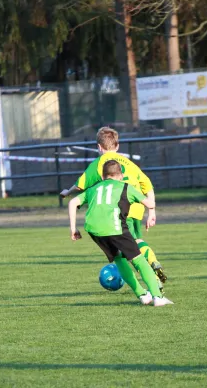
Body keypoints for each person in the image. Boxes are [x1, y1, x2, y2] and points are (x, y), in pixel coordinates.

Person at [60, 127, 168, 289]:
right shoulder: (129, 164)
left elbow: (80, 185)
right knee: (136, 241)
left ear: (99, 147)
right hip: (137, 207)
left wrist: (67, 192)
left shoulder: (99, 164)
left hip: (119, 209)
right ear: (117, 146)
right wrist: (151, 212)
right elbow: (147, 185)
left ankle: (153, 279)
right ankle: (153, 264)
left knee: (128, 253)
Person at [68, 160, 173, 306]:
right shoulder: (125, 187)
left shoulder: (94, 188)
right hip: (116, 228)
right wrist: (146, 198)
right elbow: (150, 204)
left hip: (94, 230)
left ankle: (142, 295)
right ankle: (157, 297)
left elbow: (73, 202)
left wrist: (73, 228)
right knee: (139, 260)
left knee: (119, 259)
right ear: (121, 175)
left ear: (103, 176)